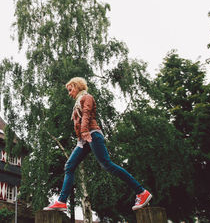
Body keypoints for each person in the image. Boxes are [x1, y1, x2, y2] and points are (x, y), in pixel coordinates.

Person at [43, 77, 152, 212]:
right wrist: (82, 135)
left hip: (92, 134)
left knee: (107, 164)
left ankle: (141, 192)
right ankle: (61, 201)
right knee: (69, 166)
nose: (69, 93)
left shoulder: (87, 97)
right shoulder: (78, 102)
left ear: (77, 87)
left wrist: (84, 131)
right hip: (83, 139)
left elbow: (87, 114)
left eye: (70, 90)